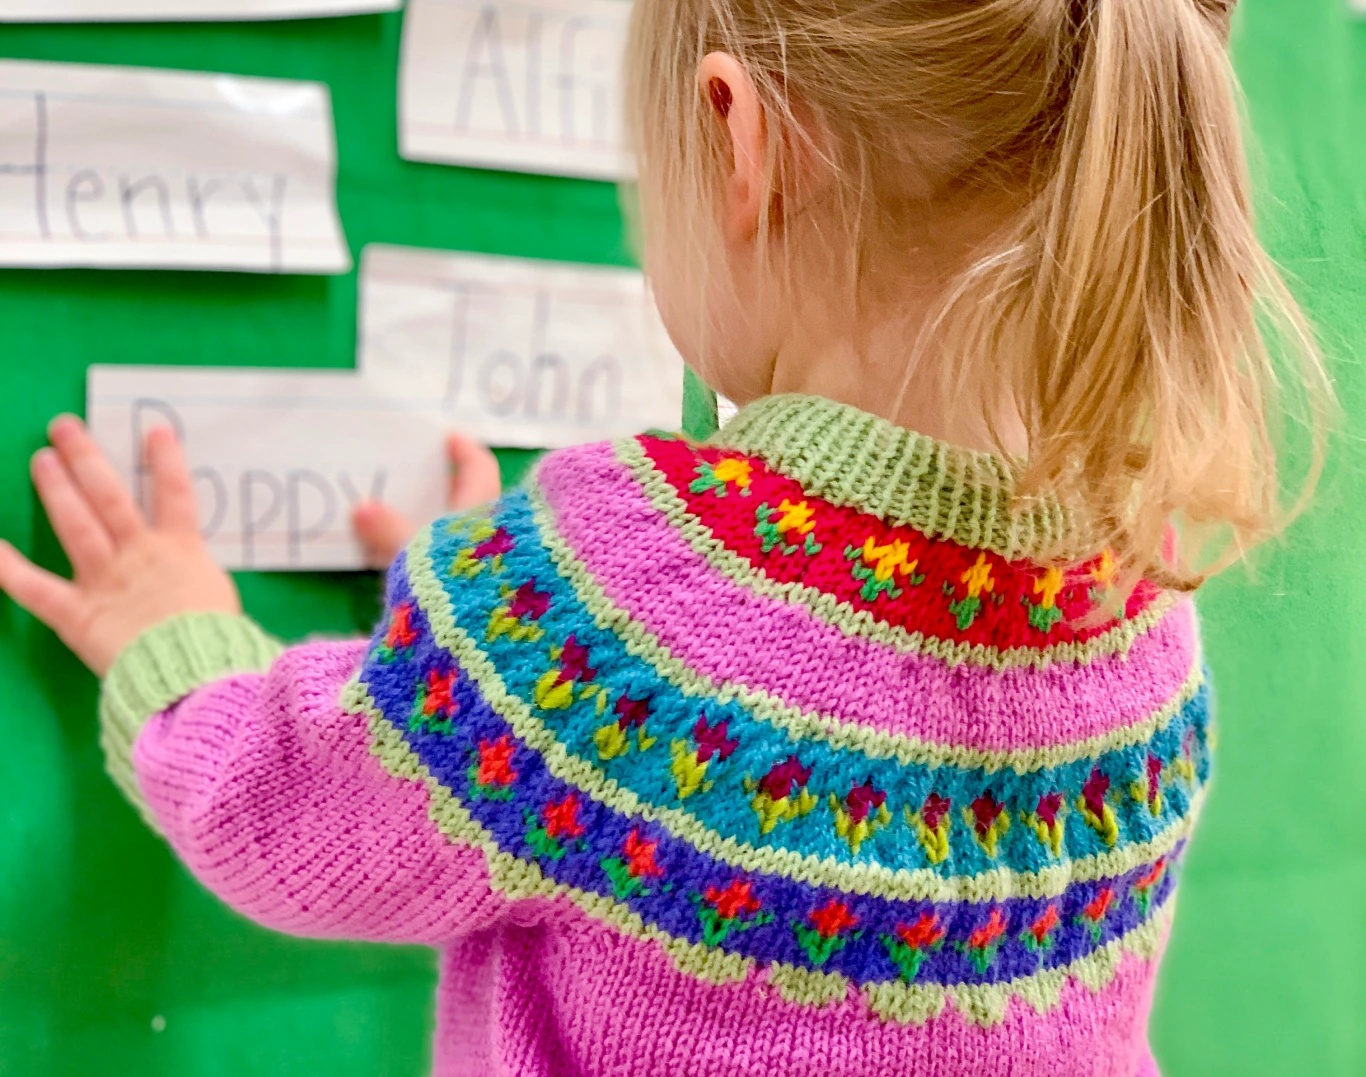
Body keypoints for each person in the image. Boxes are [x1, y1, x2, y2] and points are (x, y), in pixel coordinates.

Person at [0, 1, 1332, 1074]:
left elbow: (287, 814)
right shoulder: (1135, 607)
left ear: (732, 137)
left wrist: (168, 638)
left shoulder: (606, 619)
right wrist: (510, 641)